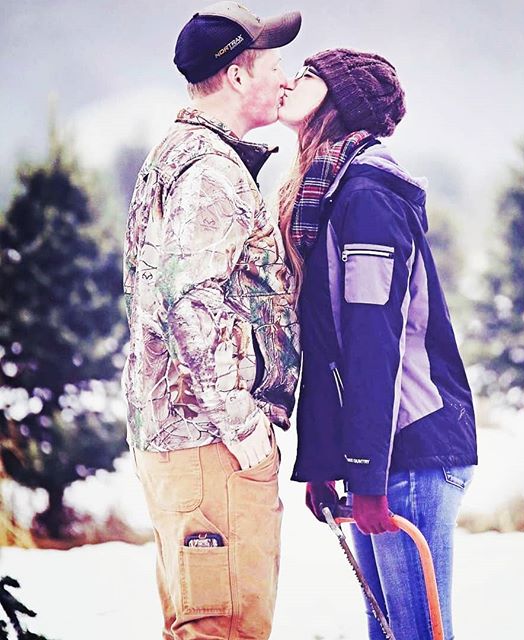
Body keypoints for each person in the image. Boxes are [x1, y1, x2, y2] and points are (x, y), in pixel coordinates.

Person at [277, 49, 478, 639]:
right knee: (386, 632)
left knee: (412, 635)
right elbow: (327, 345)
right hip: (388, 455)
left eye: (309, 75)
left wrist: (366, 474)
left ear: (341, 99)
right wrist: (323, 461)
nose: (291, 79)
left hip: (410, 452)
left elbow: (374, 344)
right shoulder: (335, 189)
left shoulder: (366, 198)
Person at [122, 3, 301, 638]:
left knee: (202, 626)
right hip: (210, 443)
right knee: (225, 628)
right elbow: (188, 299)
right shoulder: (212, 172)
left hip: (187, 438)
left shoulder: (185, 156)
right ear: (235, 77)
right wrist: (239, 417)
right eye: (274, 65)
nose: (287, 77)